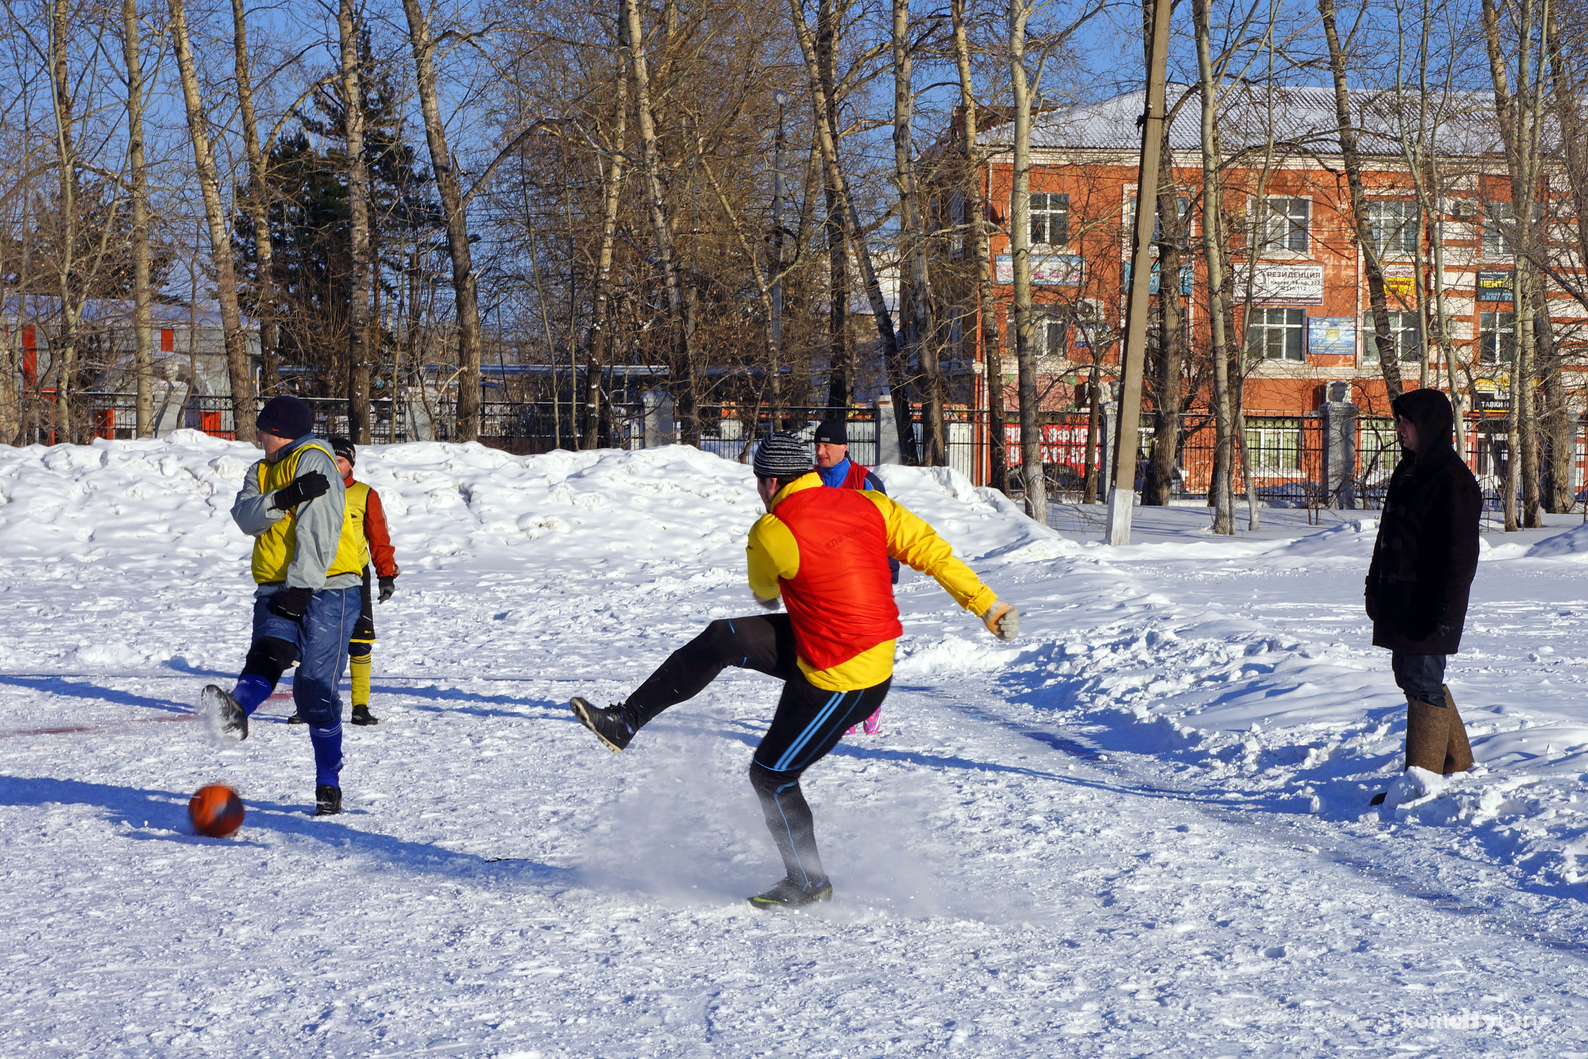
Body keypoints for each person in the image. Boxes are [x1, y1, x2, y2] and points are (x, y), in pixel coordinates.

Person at [568, 432, 1020, 910]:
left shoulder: (771, 529)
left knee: (771, 774)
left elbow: (763, 589)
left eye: (758, 483)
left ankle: (809, 882)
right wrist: (988, 606)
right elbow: (935, 554)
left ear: (770, 481)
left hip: (844, 680)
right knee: (725, 637)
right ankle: (626, 721)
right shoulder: (870, 504)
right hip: (843, 646)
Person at [198, 395, 365, 816]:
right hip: (276, 584)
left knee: (313, 689)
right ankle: (237, 709)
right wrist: (284, 497)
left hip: (328, 587)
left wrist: (304, 588)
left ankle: (328, 780)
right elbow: (246, 517)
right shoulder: (262, 469)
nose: (257, 435)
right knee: (269, 652)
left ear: (279, 431)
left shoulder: (315, 460)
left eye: (262, 428)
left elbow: (319, 531)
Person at [1365, 387, 1481, 806]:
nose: (1399, 429)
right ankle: (1457, 764)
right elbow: (1387, 538)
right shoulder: (1409, 470)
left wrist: (1446, 613)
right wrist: (1374, 585)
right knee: (1412, 676)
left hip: (1430, 604)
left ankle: (1423, 781)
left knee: (1422, 680)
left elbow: (1460, 558)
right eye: (1398, 421)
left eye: (1406, 422)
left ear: (1428, 427)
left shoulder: (1452, 479)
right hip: (1402, 602)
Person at [287, 437, 399, 728]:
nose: (335, 465)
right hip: (314, 575)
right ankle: (308, 705)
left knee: (360, 642)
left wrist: (385, 575)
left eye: (341, 460)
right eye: (330, 459)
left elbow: (378, 537)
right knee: (312, 643)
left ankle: (360, 707)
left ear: (351, 463)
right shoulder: (309, 490)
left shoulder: (364, 494)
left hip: (354, 577)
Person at [813, 416, 896, 735]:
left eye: (826, 445)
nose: (820, 451)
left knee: (865, 643)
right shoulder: (810, 481)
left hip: (865, 576)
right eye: (817, 445)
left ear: (843, 448)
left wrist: (887, 574)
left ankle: (871, 705)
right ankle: (846, 709)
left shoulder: (866, 482)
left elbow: (887, 529)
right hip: (826, 576)